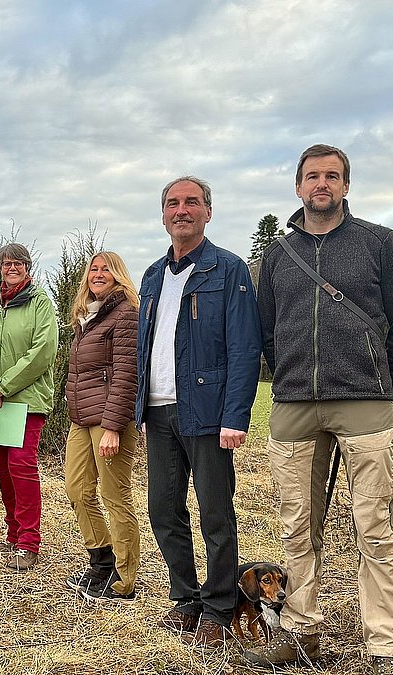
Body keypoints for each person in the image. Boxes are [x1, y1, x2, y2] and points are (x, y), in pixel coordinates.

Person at [246, 145, 393, 673]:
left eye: (332, 176)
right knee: (295, 526)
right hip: (293, 403)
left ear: (347, 186)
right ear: (298, 187)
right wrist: (286, 370)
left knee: (374, 526)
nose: (322, 184)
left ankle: (383, 642)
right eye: (312, 177)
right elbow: (266, 332)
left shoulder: (380, 244)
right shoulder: (277, 258)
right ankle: (300, 631)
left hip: (365, 400)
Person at [136, 176, 261, 648]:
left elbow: (245, 347)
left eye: (191, 202)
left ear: (208, 211)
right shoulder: (151, 276)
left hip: (207, 412)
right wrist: (138, 407)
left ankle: (220, 605)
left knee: (214, 511)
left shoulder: (228, 270)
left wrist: (235, 415)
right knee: (163, 510)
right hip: (159, 411)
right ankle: (186, 598)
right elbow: (144, 348)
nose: (181, 210)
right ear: (163, 214)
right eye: (172, 203)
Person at [0, 243, 57, 571]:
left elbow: (43, 351)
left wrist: (4, 386)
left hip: (27, 400)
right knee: (3, 470)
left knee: (22, 467)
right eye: (6, 263)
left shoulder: (41, 303)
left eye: (17, 263)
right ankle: (13, 533)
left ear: (27, 266)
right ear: (0, 268)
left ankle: (29, 542)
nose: (11, 268)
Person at [64, 251, 140, 599]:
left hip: (110, 421)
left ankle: (123, 580)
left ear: (118, 275)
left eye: (105, 269)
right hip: (81, 419)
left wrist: (112, 426)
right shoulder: (87, 318)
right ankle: (101, 560)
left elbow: (126, 374)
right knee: (77, 490)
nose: (98, 274)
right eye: (93, 269)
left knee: (115, 496)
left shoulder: (124, 314)